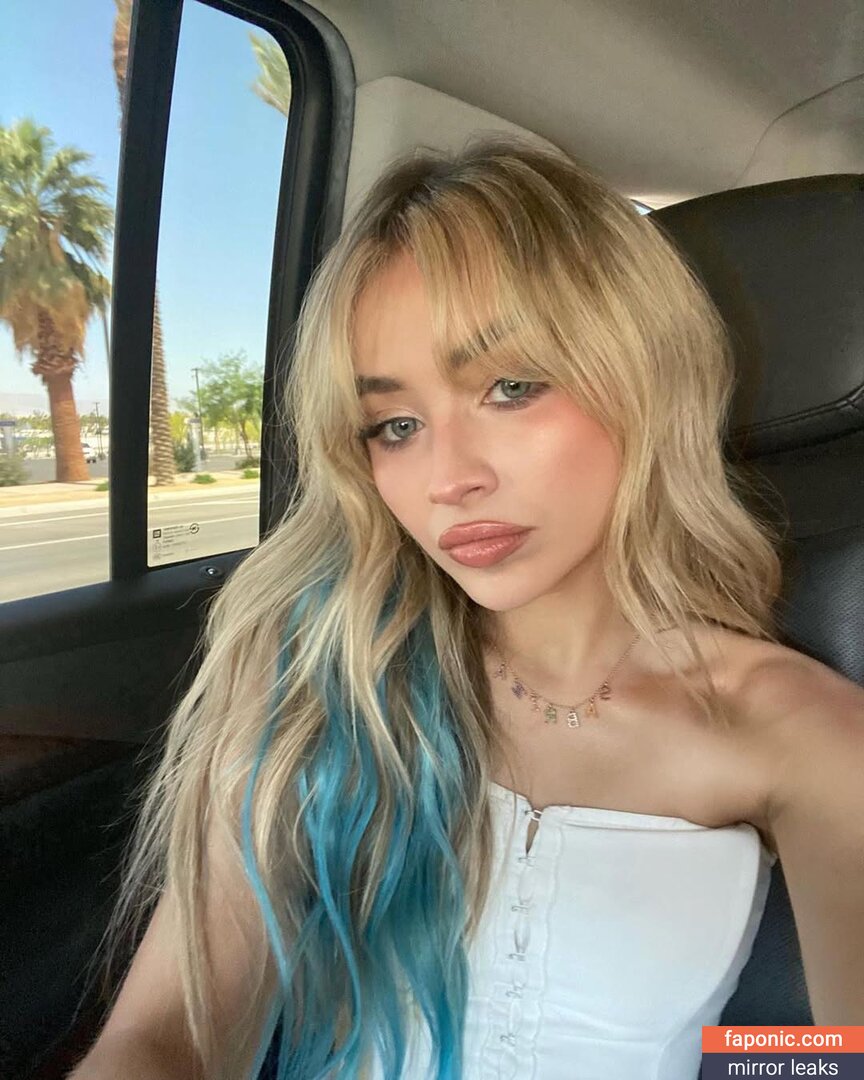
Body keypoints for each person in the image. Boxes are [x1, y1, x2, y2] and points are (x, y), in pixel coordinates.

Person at [70, 137, 864, 1080]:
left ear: (646, 377)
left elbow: (839, 1056)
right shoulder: (319, 672)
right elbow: (166, 1037)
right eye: (396, 425)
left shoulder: (800, 730)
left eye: (511, 388)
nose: (449, 478)